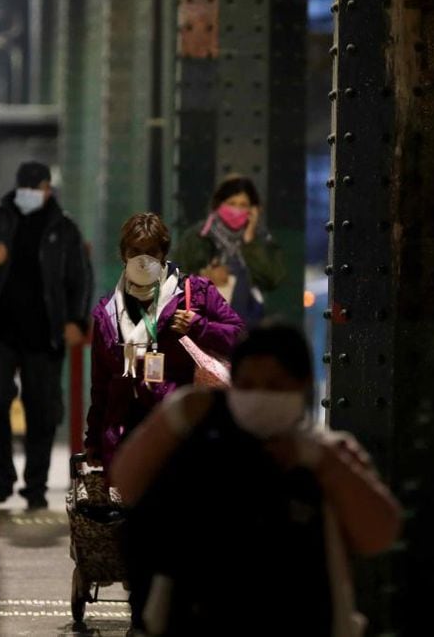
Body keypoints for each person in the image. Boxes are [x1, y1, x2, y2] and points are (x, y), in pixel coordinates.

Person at [111, 324, 402, 635]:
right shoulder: (197, 438)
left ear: (302, 386)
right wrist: (176, 417)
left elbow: (378, 535)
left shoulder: (328, 453)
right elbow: (127, 483)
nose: (259, 396)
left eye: (275, 385)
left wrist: (322, 461)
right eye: (246, 385)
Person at [0, 161, 92, 509]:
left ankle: (36, 486)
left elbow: (80, 278)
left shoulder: (64, 228)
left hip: (45, 334)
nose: (32, 191)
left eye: (38, 185)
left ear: (48, 188)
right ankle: (0, 477)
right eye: (27, 185)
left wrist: (77, 320)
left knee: (42, 413)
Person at [85, 213, 244, 469]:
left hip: (182, 428)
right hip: (125, 434)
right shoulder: (108, 312)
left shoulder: (195, 294)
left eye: (151, 252)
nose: (143, 259)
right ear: (124, 254)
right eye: (135, 251)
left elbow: (238, 335)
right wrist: (93, 440)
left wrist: (199, 326)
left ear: (163, 254)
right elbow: (101, 384)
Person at [175, 174, 285, 325]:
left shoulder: (261, 239)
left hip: (247, 328)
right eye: (232, 203)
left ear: (253, 209)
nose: (237, 210)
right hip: (204, 327)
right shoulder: (198, 237)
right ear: (219, 205)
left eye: (243, 205)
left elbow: (273, 278)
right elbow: (175, 278)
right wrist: (203, 278)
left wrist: (250, 241)